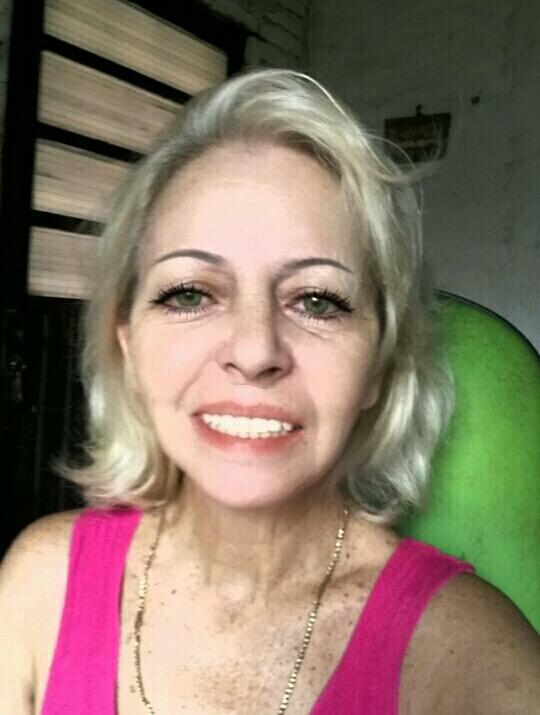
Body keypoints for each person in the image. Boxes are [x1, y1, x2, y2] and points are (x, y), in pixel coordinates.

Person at [1, 68, 539, 715]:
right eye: (189, 293)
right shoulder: (38, 589)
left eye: (316, 300)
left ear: (380, 364)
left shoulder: (473, 663)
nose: (255, 351)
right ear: (128, 344)